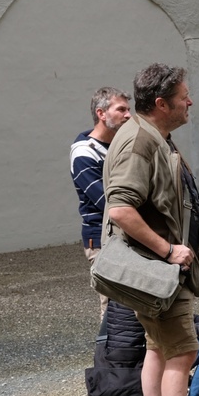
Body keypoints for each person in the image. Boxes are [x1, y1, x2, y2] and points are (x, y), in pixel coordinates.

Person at [103, 63, 199, 396]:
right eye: (183, 97)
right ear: (161, 103)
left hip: (158, 274)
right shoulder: (139, 141)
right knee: (182, 353)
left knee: (157, 349)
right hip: (158, 273)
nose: (190, 102)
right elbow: (120, 209)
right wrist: (168, 250)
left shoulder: (150, 135)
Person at [70, 87, 132, 317]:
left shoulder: (120, 144)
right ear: (101, 113)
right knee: (114, 311)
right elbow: (108, 203)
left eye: (128, 109)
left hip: (127, 233)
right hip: (102, 239)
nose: (128, 115)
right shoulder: (84, 153)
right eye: (121, 109)